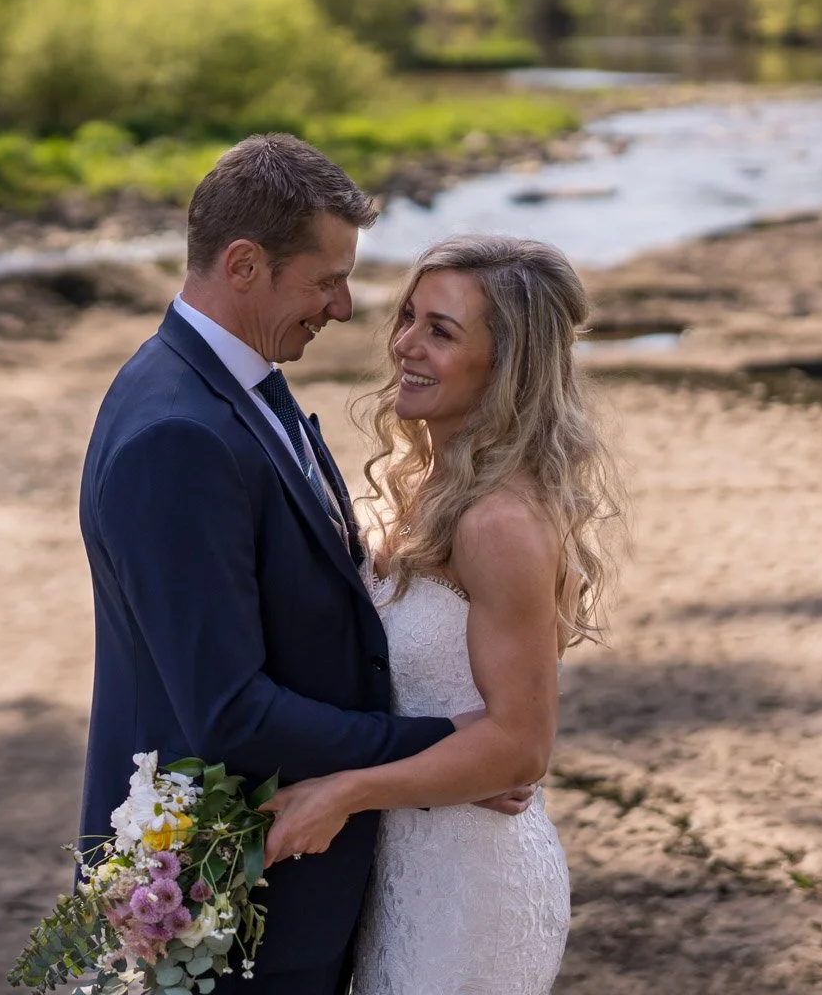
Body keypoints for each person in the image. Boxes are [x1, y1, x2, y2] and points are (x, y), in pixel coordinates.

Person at [76, 136, 531, 995]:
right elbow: (229, 712)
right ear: (245, 265)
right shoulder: (178, 432)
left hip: (292, 891)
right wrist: (445, 753)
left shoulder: (237, 383)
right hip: (222, 904)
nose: (348, 309)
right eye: (326, 281)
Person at [259, 233, 626, 994]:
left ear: (507, 365)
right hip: (401, 864)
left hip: (470, 884)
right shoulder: (421, 482)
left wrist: (346, 789)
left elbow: (521, 747)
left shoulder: (499, 522)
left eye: (441, 331)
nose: (405, 347)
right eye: (409, 318)